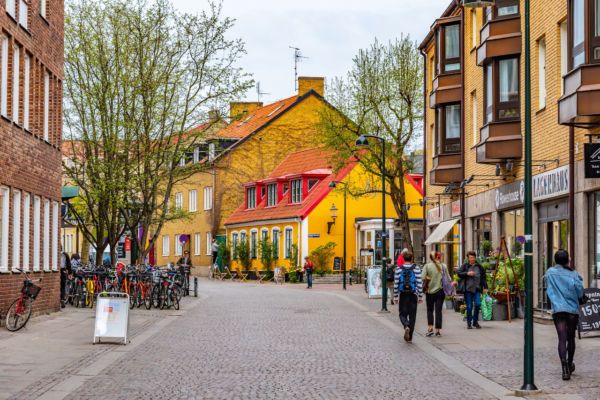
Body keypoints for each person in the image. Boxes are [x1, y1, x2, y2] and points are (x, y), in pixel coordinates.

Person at [544, 249, 584, 381]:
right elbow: (580, 293)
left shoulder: (549, 272)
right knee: (571, 338)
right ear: (567, 260)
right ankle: (570, 363)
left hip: (558, 309)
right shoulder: (574, 275)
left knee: (562, 338)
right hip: (572, 310)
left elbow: (547, 286)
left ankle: (564, 369)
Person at [394, 252, 423, 342]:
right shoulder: (416, 268)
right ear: (411, 259)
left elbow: (396, 283)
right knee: (412, 316)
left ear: (403, 259)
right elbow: (419, 282)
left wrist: (395, 296)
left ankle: (406, 325)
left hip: (403, 295)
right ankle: (410, 337)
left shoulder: (399, 269)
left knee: (402, 314)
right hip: (413, 294)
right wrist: (420, 296)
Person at [457, 251, 488, 329]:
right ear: (468, 258)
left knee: (477, 304)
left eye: (473, 257)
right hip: (468, 289)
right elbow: (459, 273)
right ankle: (469, 323)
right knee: (469, 307)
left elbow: (483, 277)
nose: (472, 259)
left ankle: (475, 322)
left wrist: (486, 287)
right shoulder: (465, 266)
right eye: (471, 258)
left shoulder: (479, 267)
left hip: (477, 289)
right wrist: (467, 273)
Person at [422, 251, 446, 337]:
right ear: (439, 257)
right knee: (438, 310)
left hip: (429, 291)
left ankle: (430, 328)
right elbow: (448, 279)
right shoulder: (443, 266)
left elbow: (422, 277)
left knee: (430, 310)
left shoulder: (427, 266)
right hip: (440, 291)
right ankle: (438, 330)